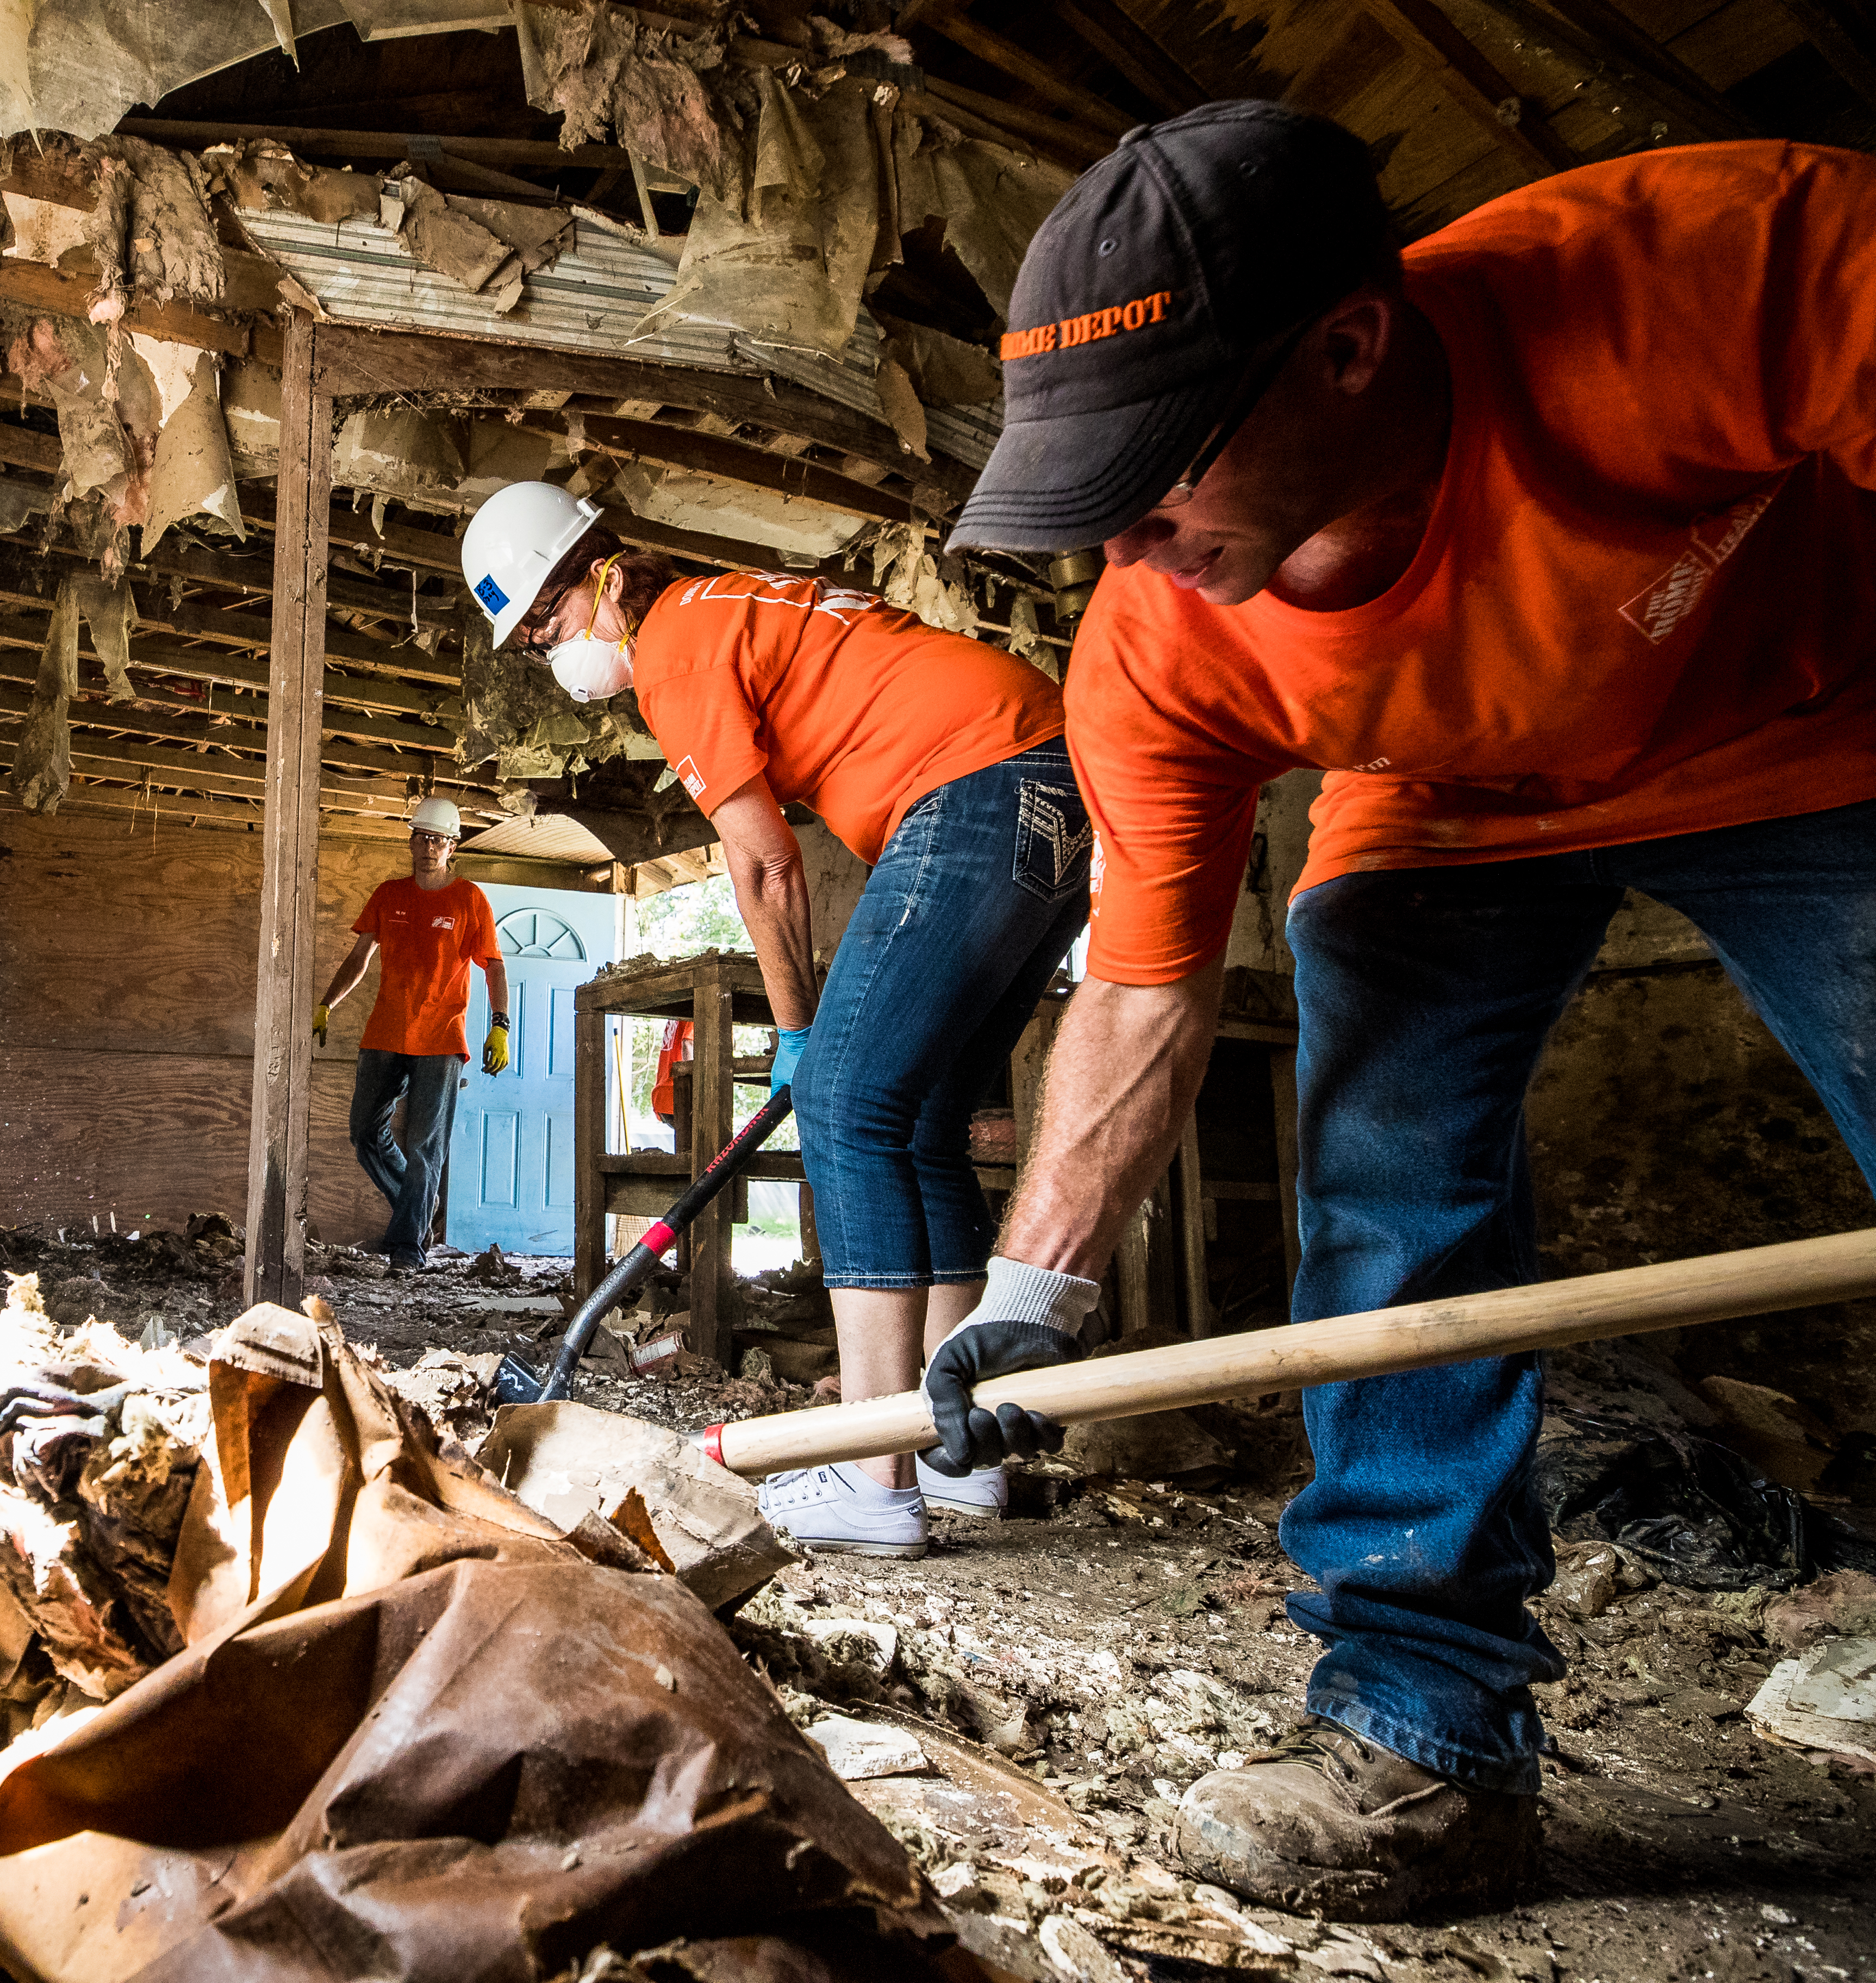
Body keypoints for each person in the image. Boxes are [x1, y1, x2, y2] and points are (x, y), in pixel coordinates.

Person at [938, 103, 1876, 1918]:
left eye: (1157, 476)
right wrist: (1031, 1297)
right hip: (1432, 797)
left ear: (1350, 347)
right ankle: (1417, 1726)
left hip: (1806, 724)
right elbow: (1143, 981)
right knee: (1385, 1173)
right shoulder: (1154, 631)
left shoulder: (1722, 264)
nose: (1124, 547)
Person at [460, 479, 1084, 1558]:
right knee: (922, 1118)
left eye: (546, 628)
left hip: (975, 783)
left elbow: (763, 863)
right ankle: (954, 1454)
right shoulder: (725, 606)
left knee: (845, 1103)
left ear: (593, 579)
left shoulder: (673, 647)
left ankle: (871, 1475)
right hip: (1051, 790)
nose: (552, 659)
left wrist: (798, 1033)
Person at [316, 796, 511, 1270]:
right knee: (364, 1131)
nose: (428, 848)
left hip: (441, 1040)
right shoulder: (389, 895)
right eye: (421, 838)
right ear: (411, 841)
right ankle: (417, 1205)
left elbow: (495, 967)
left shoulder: (469, 899)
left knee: (425, 1146)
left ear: (452, 846)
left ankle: (408, 1248)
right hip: (385, 1033)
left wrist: (500, 1026)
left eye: (438, 840)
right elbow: (360, 957)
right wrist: (326, 1004)